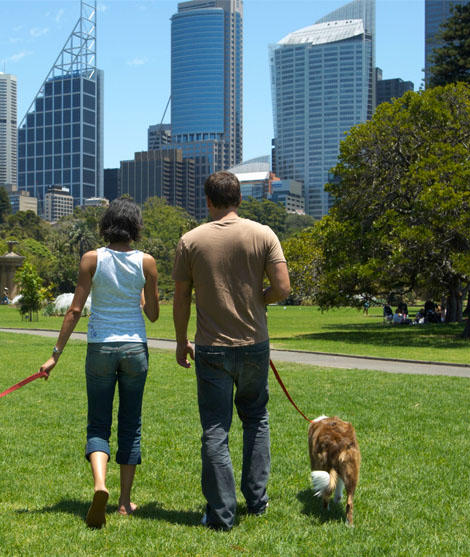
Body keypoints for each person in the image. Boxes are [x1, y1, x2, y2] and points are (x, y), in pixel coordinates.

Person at [172, 171, 290, 531]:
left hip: (211, 347)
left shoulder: (190, 241)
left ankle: (222, 513)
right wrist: (260, 299)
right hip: (255, 343)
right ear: (239, 199)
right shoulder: (264, 233)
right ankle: (256, 501)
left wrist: (180, 341)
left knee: (215, 428)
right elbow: (283, 288)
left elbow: (180, 300)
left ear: (208, 201)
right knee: (256, 418)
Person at [39, 198, 160, 529]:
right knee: (130, 424)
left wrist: (55, 355)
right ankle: (124, 502)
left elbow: (75, 310)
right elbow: (152, 314)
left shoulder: (92, 258)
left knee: (98, 424)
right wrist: (139, 296)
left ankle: (99, 484)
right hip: (135, 349)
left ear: (106, 225)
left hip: (101, 349)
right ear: (135, 227)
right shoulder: (147, 262)